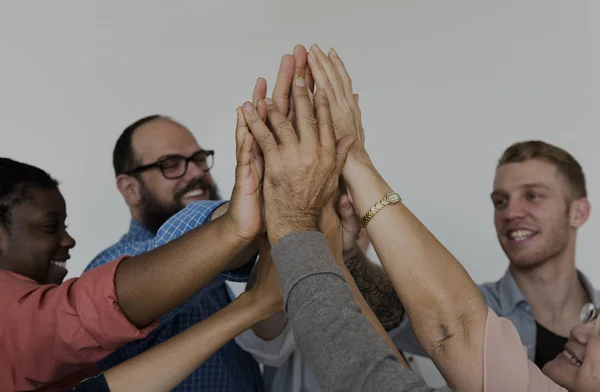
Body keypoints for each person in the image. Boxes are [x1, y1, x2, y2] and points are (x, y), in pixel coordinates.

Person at [304, 43, 600, 391]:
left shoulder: (469, 313)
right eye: (500, 200)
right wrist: (352, 255)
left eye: (532, 196)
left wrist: (356, 162)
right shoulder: (471, 301)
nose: (512, 212)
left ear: (579, 212)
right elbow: (397, 310)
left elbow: (456, 327)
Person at [0, 135, 263, 392]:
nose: (195, 171)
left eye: (199, 158)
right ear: (129, 188)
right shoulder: (115, 266)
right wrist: (234, 226)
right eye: (170, 164)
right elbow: (85, 311)